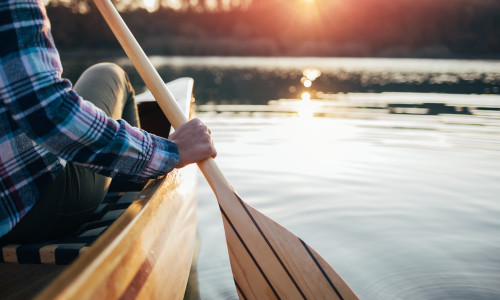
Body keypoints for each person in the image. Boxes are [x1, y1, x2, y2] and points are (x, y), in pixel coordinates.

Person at [0, 0, 216, 243]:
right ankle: (137, 187)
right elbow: (49, 114)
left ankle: (130, 171)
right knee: (108, 74)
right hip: (28, 208)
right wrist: (170, 152)